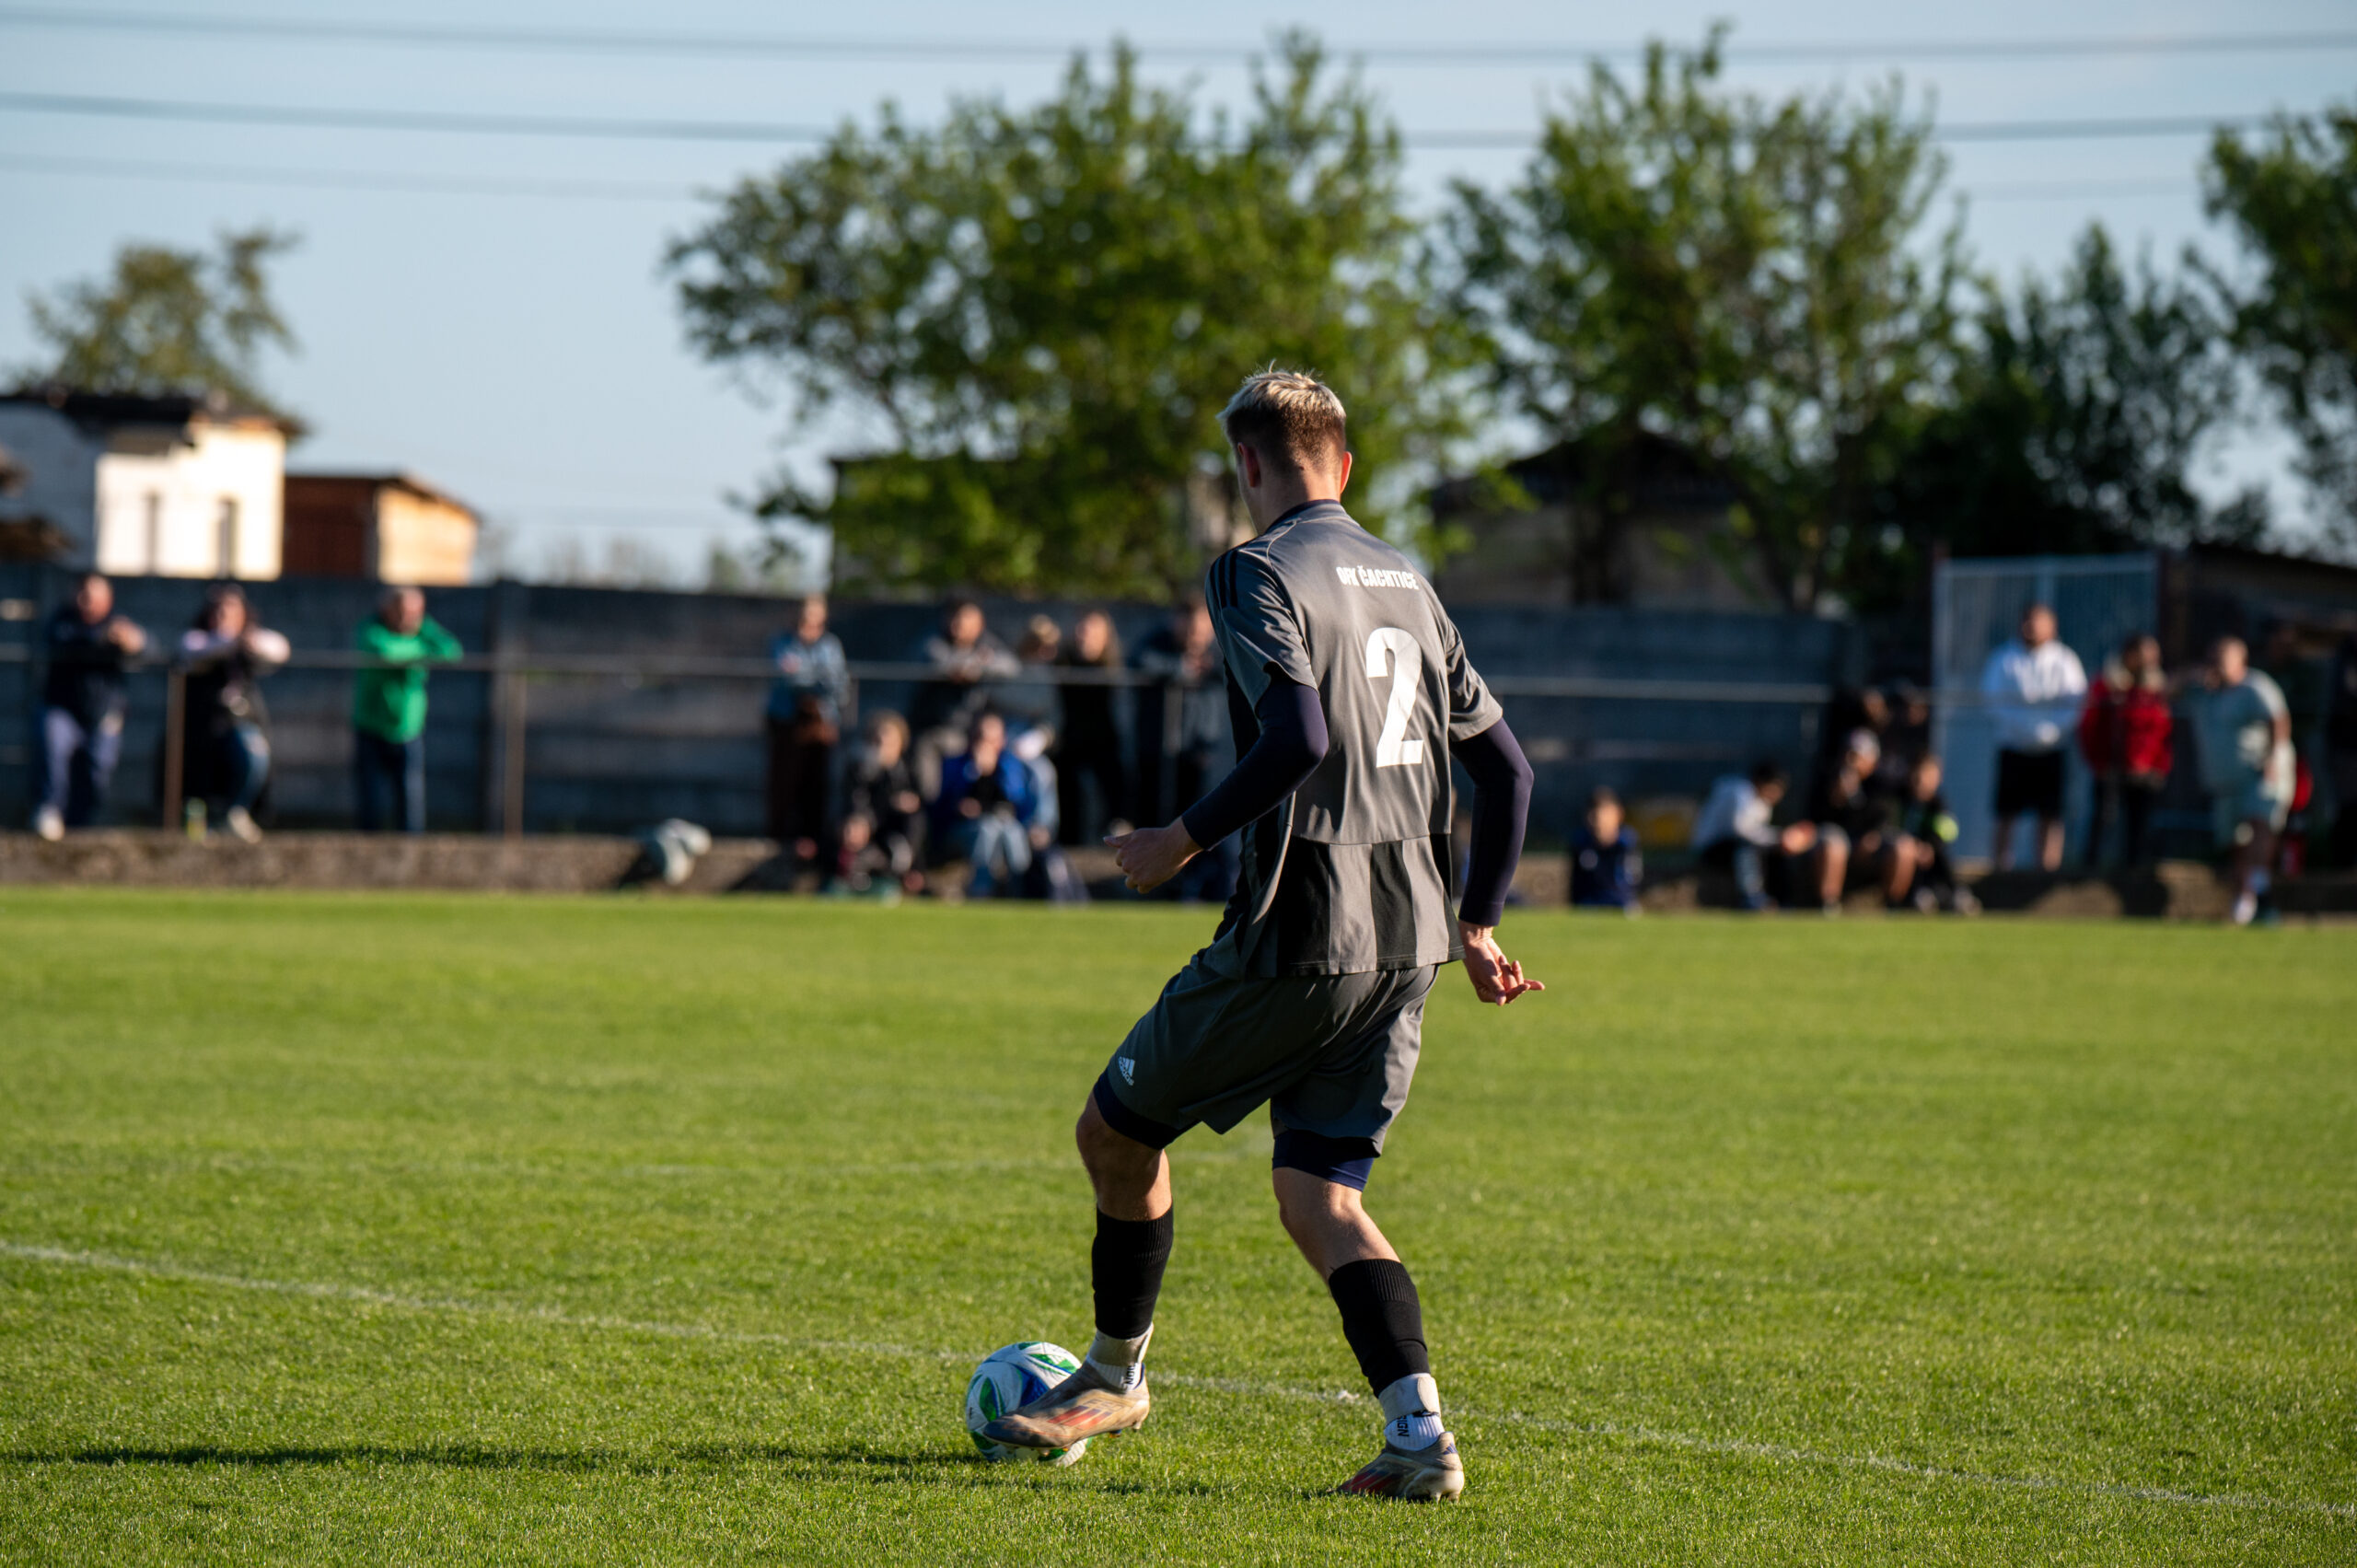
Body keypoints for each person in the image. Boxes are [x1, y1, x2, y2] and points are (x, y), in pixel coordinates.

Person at [978, 368, 1540, 1502]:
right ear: (1347, 461)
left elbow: (1299, 739)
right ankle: (1419, 1437)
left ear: (1245, 464)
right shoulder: (1411, 581)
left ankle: (1115, 1372)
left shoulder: (1255, 570)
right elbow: (1510, 770)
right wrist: (1477, 919)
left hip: (1303, 933)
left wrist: (1177, 839)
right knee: (1321, 1194)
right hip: (1410, 947)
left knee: (1115, 1131)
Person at [2183, 635, 2295, 925]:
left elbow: (2278, 720)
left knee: (2260, 825)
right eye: (2213, 658)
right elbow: (2165, 690)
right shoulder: (2203, 690)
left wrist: (2273, 759)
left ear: (2240, 660)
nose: (2216, 664)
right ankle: (2246, 897)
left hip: (2257, 774)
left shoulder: (2255, 686)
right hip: (2224, 782)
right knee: (2236, 841)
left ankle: (2261, 892)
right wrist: (2191, 676)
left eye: (2222, 658)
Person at [35, 572, 146, 840]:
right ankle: (50, 809)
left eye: (95, 597)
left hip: (104, 713)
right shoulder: (62, 621)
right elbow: (60, 642)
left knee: (98, 771)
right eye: (84, 595)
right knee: (53, 752)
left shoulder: (119, 623)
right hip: (62, 708)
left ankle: (81, 825)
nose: (88, 602)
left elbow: (147, 648)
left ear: (108, 599)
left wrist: (135, 642)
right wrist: (100, 637)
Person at [178, 584, 289, 843]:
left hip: (238, 724)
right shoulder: (198, 639)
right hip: (200, 730)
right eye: (217, 611)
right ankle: (199, 830)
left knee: (254, 754)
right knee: (196, 787)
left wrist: (248, 641)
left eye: (230, 612)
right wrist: (232, 642)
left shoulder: (250, 642)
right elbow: (193, 649)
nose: (222, 617)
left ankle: (234, 813)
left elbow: (280, 648)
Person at [1980, 603, 2087, 872]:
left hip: (2052, 749)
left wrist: (2049, 732)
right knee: (2006, 812)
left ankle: (2046, 872)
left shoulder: (2065, 660)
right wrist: (2022, 730)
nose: (2031, 627)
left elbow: (2076, 702)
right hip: (2013, 747)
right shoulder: (2003, 659)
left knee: (2050, 814)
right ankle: (2000, 871)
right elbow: (1993, 701)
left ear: (2052, 626)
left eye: (2038, 621)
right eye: (2027, 621)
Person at [352, 586, 460, 834]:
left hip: (408, 728)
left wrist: (424, 630)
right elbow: (384, 652)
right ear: (386, 609)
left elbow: (451, 651)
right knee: (371, 797)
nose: (406, 619)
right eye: (400, 611)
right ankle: (368, 847)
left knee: (410, 797)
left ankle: (411, 848)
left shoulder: (422, 628)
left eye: (414, 613)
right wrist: (422, 650)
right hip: (371, 726)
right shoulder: (371, 628)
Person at [765, 594, 850, 868]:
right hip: (787, 722)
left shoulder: (830, 645)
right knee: (784, 784)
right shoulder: (783, 641)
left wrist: (805, 676)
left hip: (820, 724)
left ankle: (812, 840)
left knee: (816, 785)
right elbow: (787, 680)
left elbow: (839, 686)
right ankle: (781, 839)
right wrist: (818, 680)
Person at [1130, 595, 1226, 829]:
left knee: (1197, 813)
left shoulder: (1220, 650)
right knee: (1153, 814)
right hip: (1157, 746)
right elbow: (1138, 662)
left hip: (1201, 748)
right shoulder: (1157, 642)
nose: (1195, 637)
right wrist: (1181, 668)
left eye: (1200, 630)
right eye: (1189, 629)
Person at [2077, 633, 2173, 869]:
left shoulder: (2157, 690)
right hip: (2110, 767)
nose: (2149, 660)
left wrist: (2159, 766)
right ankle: (2088, 871)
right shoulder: (2106, 686)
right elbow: (2090, 726)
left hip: (2145, 771)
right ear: (2129, 655)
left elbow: (2164, 731)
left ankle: (2133, 874)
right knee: (2103, 820)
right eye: (2144, 654)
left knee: (2138, 826)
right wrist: (2098, 762)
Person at [1807, 729, 1923, 910]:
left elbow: (1887, 816)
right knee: (1832, 844)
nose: (1850, 761)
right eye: (1847, 753)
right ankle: (1828, 905)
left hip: (1874, 841)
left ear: (1871, 760)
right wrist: (1837, 799)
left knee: (1904, 847)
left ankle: (1893, 906)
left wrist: (1874, 835)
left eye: (1856, 756)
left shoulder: (1882, 783)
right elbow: (1818, 818)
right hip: (1841, 838)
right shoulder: (1828, 779)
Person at [909, 599, 1020, 787]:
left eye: (966, 619)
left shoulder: (987, 641)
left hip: (971, 731)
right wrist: (977, 662)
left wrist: (976, 667)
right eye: (955, 618)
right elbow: (940, 663)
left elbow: (1010, 666)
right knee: (932, 789)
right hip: (935, 728)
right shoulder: (934, 640)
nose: (958, 624)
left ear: (980, 623)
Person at [933, 710, 1040, 899]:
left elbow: (1017, 802)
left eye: (991, 739)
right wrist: (972, 773)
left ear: (1001, 741)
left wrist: (992, 772)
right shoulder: (955, 764)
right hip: (961, 829)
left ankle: (1020, 891)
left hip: (1003, 825)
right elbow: (943, 804)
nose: (984, 744)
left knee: (1012, 831)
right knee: (987, 829)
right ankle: (981, 891)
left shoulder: (1010, 765)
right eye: (980, 737)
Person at [1690, 760, 1823, 912]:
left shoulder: (1763, 804)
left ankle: (1782, 900)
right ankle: (1751, 898)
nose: (1778, 795)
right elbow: (1741, 830)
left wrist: (1782, 840)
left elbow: (1759, 835)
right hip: (1712, 849)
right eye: (1775, 788)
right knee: (1745, 847)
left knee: (1776, 851)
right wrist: (1781, 837)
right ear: (1761, 782)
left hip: (1735, 849)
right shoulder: (1739, 791)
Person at [1054, 609, 1131, 843]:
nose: (1085, 636)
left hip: (1104, 739)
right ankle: (1069, 841)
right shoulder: (1062, 662)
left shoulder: (1114, 668)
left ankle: (1115, 834)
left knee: (1115, 785)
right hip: (1069, 739)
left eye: (1093, 631)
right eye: (1083, 629)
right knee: (1066, 787)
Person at [844, 710, 926, 890]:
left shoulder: (908, 772)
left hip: (897, 832)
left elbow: (920, 804)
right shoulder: (860, 770)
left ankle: (907, 871)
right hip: (869, 829)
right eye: (878, 742)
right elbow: (856, 802)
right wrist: (860, 820)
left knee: (915, 819)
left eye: (890, 743)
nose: (883, 748)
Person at [1891, 753, 1975, 913]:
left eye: (1929, 777)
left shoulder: (1938, 803)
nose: (1922, 782)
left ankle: (1954, 892)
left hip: (1929, 851)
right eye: (1918, 777)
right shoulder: (1901, 799)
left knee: (1939, 856)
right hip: (1908, 849)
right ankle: (1914, 894)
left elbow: (1945, 831)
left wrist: (1929, 846)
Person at [1568, 785, 1642, 912]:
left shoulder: (1626, 843)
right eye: (1594, 816)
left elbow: (1631, 881)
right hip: (1588, 904)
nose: (1598, 822)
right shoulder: (1581, 843)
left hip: (1620, 903)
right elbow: (1576, 884)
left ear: (1618, 814)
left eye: (1605, 815)